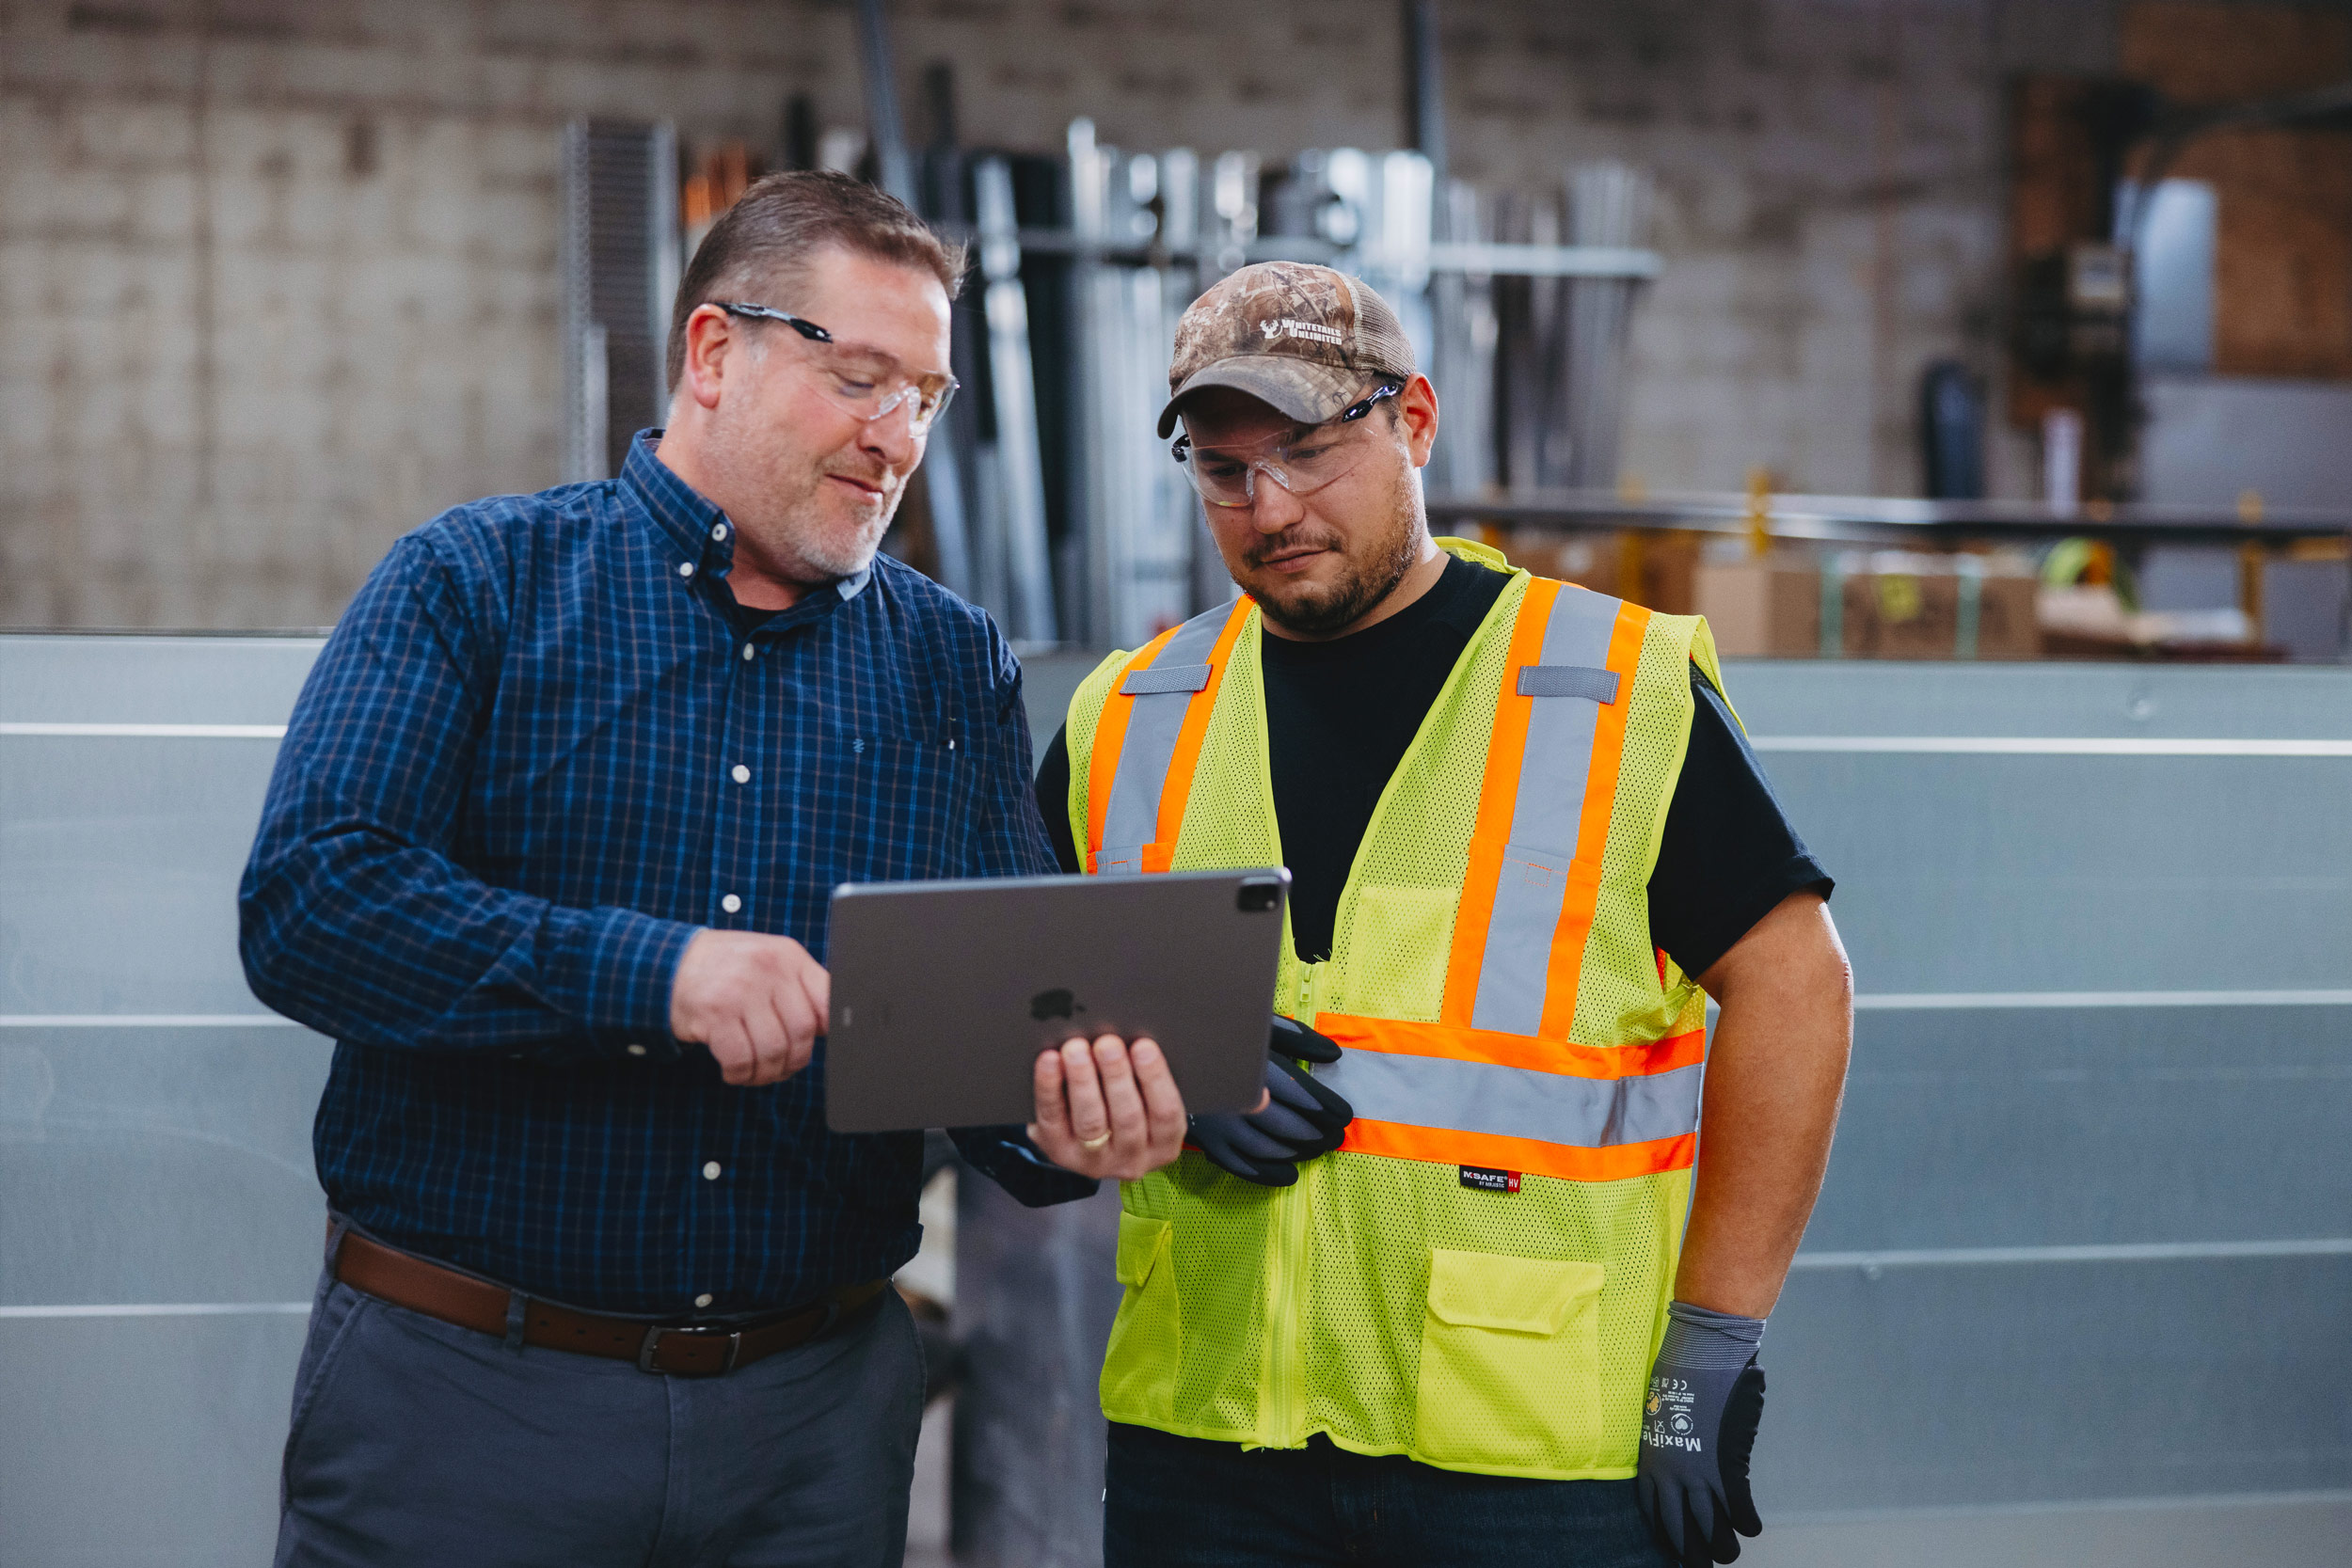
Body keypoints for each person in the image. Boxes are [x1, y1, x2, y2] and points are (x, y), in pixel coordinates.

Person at [239, 171, 1187, 1568]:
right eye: (859, 377)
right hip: (467, 1407)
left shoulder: (946, 661)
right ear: (712, 353)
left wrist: (1068, 1126)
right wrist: (656, 969)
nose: (896, 438)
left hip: (811, 1434)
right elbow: (313, 904)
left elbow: (990, 1033)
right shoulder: (477, 584)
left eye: (926, 396)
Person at [1032, 262, 1854, 1568]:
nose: (1270, 507)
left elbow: (1797, 983)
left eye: (1307, 451)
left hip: (1528, 1458)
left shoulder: (1607, 688)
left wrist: (1710, 1345)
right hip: (1213, 1449)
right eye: (1223, 470)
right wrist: (1175, 1073)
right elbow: (1036, 1002)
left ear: (1414, 420)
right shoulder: (1130, 715)